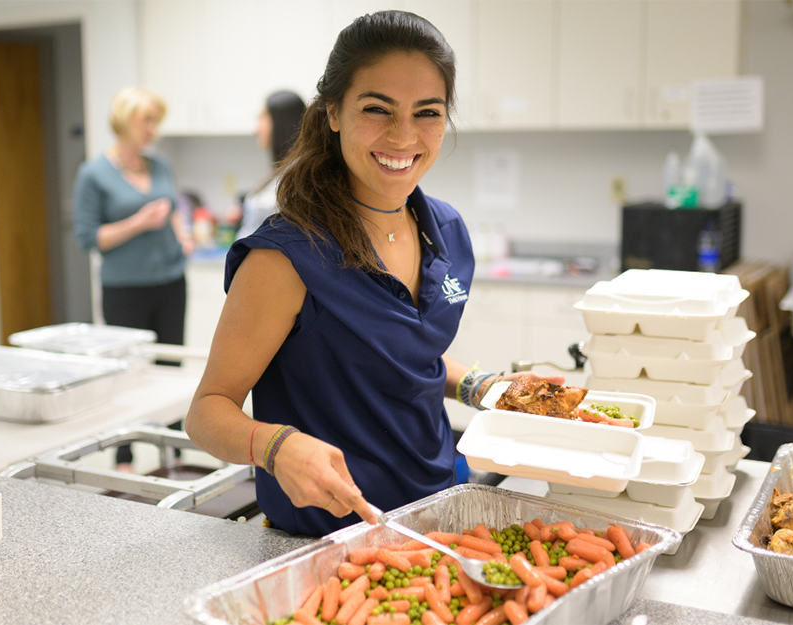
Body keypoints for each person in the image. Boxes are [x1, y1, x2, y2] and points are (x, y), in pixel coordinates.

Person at [184, 10, 559, 536]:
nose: (404, 136)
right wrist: (274, 446)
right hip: (330, 537)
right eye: (378, 109)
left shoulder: (446, 231)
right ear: (333, 113)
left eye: (427, 112)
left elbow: (406, 357)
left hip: (444, 512)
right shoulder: (287, 257)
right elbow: (206, 411)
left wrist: (484, 387)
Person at [74, 86, 194, 472]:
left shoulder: (159, 165)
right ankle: (123, 458)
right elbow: (90, 238)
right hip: (124, 289)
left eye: (156, 121)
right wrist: (139, 222)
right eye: (147, 119)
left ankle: (172, 453)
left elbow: (172, 206)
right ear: (125, 121)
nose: (152, 129)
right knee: (128, 376)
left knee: (170, 370)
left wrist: (183, 234)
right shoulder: (94, 174)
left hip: (171, 282)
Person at [235, 90, 307, 240]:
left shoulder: (300, 177)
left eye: (262, 118)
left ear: (281, 122)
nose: (256, 129)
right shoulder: (283, 171)